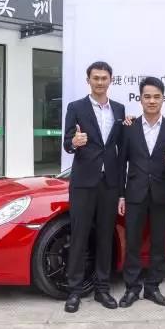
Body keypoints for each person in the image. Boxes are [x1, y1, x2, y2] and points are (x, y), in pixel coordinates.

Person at [62, 61, 125, 313]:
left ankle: (102, 288)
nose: (100, 82)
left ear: (111, 80)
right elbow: (66, 142)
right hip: (83, 183)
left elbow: (120, 149)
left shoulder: (119, 110)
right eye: (95, 78)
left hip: (109, 183)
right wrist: (74, 142)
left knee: (105, 237)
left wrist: (121, 189)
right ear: (88, 80)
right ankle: (74, 291)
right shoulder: (75, 107)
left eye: (104, 78)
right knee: (79, 236)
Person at [117, 77, 165, 308]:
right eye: (147, 96)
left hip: (161, 194)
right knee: (132, 242)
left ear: (163, 99)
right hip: (135, 194)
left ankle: (153, 287)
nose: (152, 101)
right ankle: (132, 288)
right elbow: (120, 164)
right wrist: (121, 195)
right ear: (140, 99)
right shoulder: (129, 128)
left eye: (156, 97)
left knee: (158, 242)